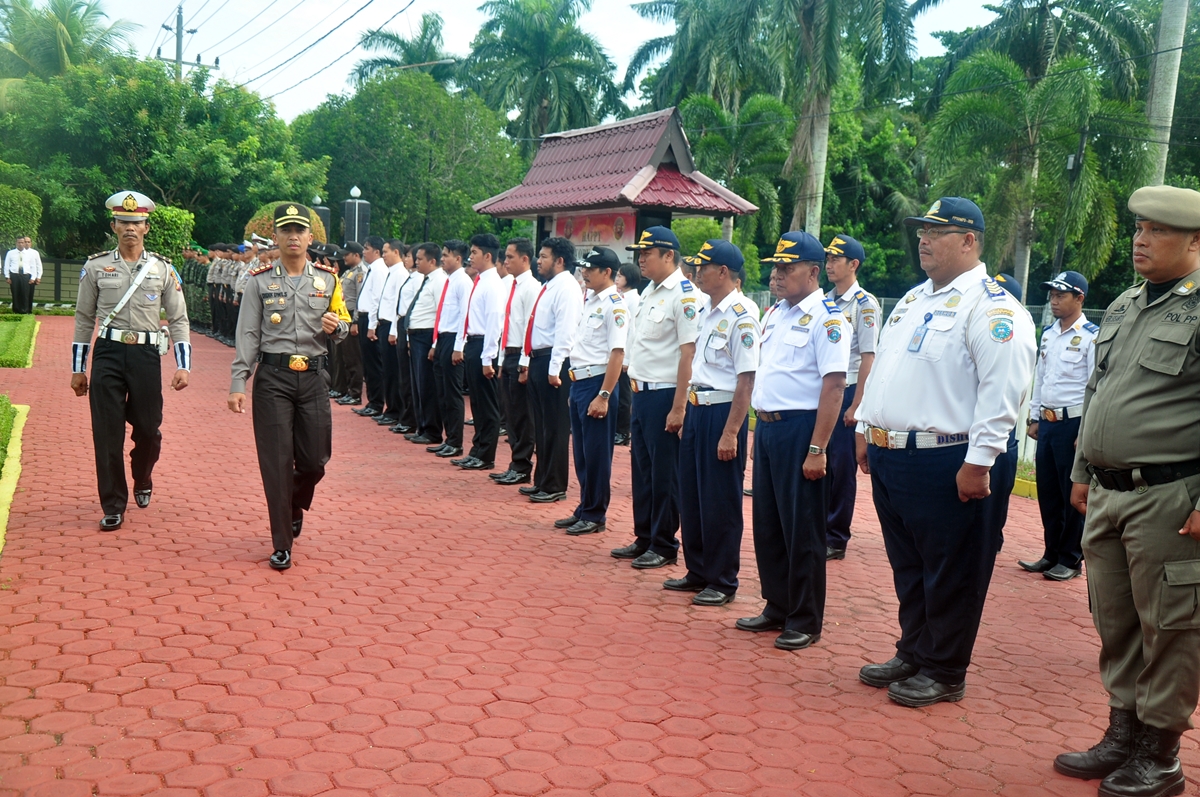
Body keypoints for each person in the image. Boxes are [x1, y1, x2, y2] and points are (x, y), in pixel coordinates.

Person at [853, 197, 1035, 706]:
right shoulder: (914, 300)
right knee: (909, 565)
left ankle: (945, 669)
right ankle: (914, 650)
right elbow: (886, 369)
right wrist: (866, 426)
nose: (923, 240)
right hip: (895, 457)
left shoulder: (993, 307)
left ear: (970, 240)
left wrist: (980, 462)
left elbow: (1003, 392)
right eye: (921, 231)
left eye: (936, 231)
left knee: (952, 570)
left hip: (948, 459)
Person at [1054, 185, 1200, 796]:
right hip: (1109, 492)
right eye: (1139, 228)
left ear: (1195, 242)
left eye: (1157, 231)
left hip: (1170, 495)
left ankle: (1160, 753)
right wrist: (1082, 469)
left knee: (1170, 627)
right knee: (1114, 619)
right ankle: (1123, 732)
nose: (1140, 239)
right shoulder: (1123, 304)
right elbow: (1098, 392)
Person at [735, 232, 849, 651]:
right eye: (775, 266)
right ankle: (777, 605)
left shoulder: (828, 318)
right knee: (769, 524)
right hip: (768, 428)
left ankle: (804, 618)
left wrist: (818, 448)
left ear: (813, 272)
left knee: (802, 529)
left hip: (802, 431)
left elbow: (834, 386)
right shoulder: (775, 314)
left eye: (787, 267)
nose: (777, 274)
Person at [228, 203, 352, 571]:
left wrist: (337, 327)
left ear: (310, 238)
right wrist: (239, 381)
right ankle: (282, 542)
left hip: (313, 378)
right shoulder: (260, 280)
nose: (293, 237)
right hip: (273, 380)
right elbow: (248, 334)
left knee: (315, 461)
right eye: (286, 231)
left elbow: (343, 322)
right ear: (277, 238)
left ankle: (295, 502)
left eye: (300, 231)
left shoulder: (328, 280)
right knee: (277, 463)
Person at [70, 191, 192, 531]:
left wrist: (184, 365)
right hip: (108, 353)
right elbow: (83, 318)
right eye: (123, 222)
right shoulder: (96, 267)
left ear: (146, 228)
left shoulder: (162, 269)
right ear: (113, 226)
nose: (129, 228)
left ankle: (143, 475)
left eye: (136, 223)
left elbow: (179, 319)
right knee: (107, 433)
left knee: (149, 430)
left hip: (145, 356)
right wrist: (78, 369)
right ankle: (112, 504)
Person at [668, 240, 758, 607]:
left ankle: (722, 579)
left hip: (722, 413)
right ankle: (699, 569)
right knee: (692, 494)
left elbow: (746, 379)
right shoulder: (707, 308)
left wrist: (732, 431)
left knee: (720, 500)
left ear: (724, 272)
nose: (697, 272)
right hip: (698, 408)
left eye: (704, 267)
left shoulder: (742, 314)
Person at [608, 226, 699, 568]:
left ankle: (663, 544)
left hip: (665, 396)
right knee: (642, 472)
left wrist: (679, 406)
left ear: (669, 256)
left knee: (664, 475)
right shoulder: (649, 291)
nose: (640, 259)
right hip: (640, 394)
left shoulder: (684, 296)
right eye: (639, 254)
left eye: (647, 254)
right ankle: (644, 535)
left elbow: (687, 355)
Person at [1018, 270, 1095, 582]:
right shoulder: (1049, 333)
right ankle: (1051, 554)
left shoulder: (1091, 336)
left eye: (1061, 295)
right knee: (1048, 492)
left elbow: (1095, 388)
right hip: (1048, 424)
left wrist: (1085, 431)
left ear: (1079, 298)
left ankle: (1071, 559)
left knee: (1070, 494)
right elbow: (1042, 378)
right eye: (1051, 295)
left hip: (1073, 424)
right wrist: (1035, 416)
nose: (1054, 301)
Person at [553, 246, 627, 535]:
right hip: (581, 382)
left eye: (590, 268)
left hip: (598, 383)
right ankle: (585, 506)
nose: (584, 273)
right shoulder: (592, 300)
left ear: (607, 272)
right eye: (583, 268)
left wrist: (605, 394)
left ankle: (596, 514)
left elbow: (617, 354)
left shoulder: (614, 305)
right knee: (582, 453)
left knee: (596, 454)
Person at [822, 234, 881, 561]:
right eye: (828, 259)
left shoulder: (864, 304)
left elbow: (868, 358)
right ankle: (819, 526)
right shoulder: (825, 300)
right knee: (820, 460)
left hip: (848, 390)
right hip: (824, 390)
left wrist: (858, 405)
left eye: (836, 260)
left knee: (842, 468)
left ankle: (836, 536)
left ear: (853, 265)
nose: (829, 265)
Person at [520, 237, 584, 503]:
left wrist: (555, 368)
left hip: (553, 362)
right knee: (543, 425)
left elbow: (565, 332)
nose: (539, 261)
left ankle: (555, 483)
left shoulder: (566, 287)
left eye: (544, 256)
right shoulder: (549, 286)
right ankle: (542, 480)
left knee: (556, 426)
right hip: (539, 359)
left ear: (559, 261)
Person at [451, 234, 506, 470]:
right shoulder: (480, 280)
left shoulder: (493, 283)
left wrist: (487, 357)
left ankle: (486, 455)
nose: (470, 257)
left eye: (474, 253)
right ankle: (477, 449)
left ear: (488, 256)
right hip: (474, 344)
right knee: (476, 403)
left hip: (485, 345)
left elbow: (495, 322)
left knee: (486, 405)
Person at [491, 238, 541, 486]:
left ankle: (522, 466)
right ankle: (515, 462)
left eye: (510, 257)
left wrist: (524, 362)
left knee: (522, 415)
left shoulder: (531, 287)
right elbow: (507, 325)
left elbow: (530, 328)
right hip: (508, 354)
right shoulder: (512, 285)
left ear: (524, 259)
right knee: (510, 414)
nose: (506, 261)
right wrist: (501, 360)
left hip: (521, 355)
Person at [430, 240, 471, 459]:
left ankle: (456, 442)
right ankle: (449, 439)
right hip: (443, 338)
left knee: (453, 394)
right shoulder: (449, 280)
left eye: (446, 255)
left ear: (458, 258)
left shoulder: (463, 281)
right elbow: (443, 316)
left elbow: (464, 316)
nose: (442, 258)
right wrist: (436, 344)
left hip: (455, 340)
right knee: (443, 393)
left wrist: (458, 347)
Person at [367, 240, 407, 428]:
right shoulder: (392, 273)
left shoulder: (400, 274)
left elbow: (398, 307)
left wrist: (393, 331)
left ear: (396, 252)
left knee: (393, 372)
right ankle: (391, 409)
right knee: (388, 372)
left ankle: (395, 410)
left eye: (386, 252)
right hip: (384, 324)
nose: (383, 255)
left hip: (391, 325)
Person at [388, 243, 421, 434]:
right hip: (402, 323)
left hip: (409, 326)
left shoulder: (418, 280)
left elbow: (413, 309)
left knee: (409, 378)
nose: (407, 259)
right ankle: (406, 416)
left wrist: (407, 335)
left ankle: (411, 419)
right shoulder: (411, 277)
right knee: (403, 376)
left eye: (409, 256)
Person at [354, 236, 388, 417]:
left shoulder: (380, 270)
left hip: (371, 319)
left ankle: (377, 403)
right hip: (364, 317)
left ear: (376, 251)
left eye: (366, 248)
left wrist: (372, 325)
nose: (363, 252)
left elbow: (377, 299)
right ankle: (372, 401)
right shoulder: (372, 269)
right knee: (368, 364)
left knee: (374, 365)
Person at [614, 261, 643, 446]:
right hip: (620, 353)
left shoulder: (633, 299)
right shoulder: (622, 297)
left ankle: (623, 432)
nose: (616, 279)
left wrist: (628, 358)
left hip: (626, 354)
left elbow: (632, 331)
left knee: (625, 395)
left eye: (620, 276)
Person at [335, 243, 365, 406]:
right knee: (345, 357)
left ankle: (355, 393)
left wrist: (355, 321)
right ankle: (348, 390)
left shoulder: (360, 273)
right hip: (343, 317)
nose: (344, 257)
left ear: (356, 255)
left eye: (347, 254)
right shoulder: (348, 272)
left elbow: (361, 298)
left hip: (352, 317)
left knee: (354, 358)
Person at [4, 236, 42, 314]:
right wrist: (7, 276)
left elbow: (33, 266)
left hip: (25, 276)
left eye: (22, 242)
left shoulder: (30, 254)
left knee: (25, 294)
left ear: (24, 243)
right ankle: (16, 310)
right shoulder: (10, 253)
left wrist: (33, 277)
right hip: (14, 275)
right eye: (19, 242)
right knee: (15, 293)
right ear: (16, 243)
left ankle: (25, 311)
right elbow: (7, 265)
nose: (20, 244)